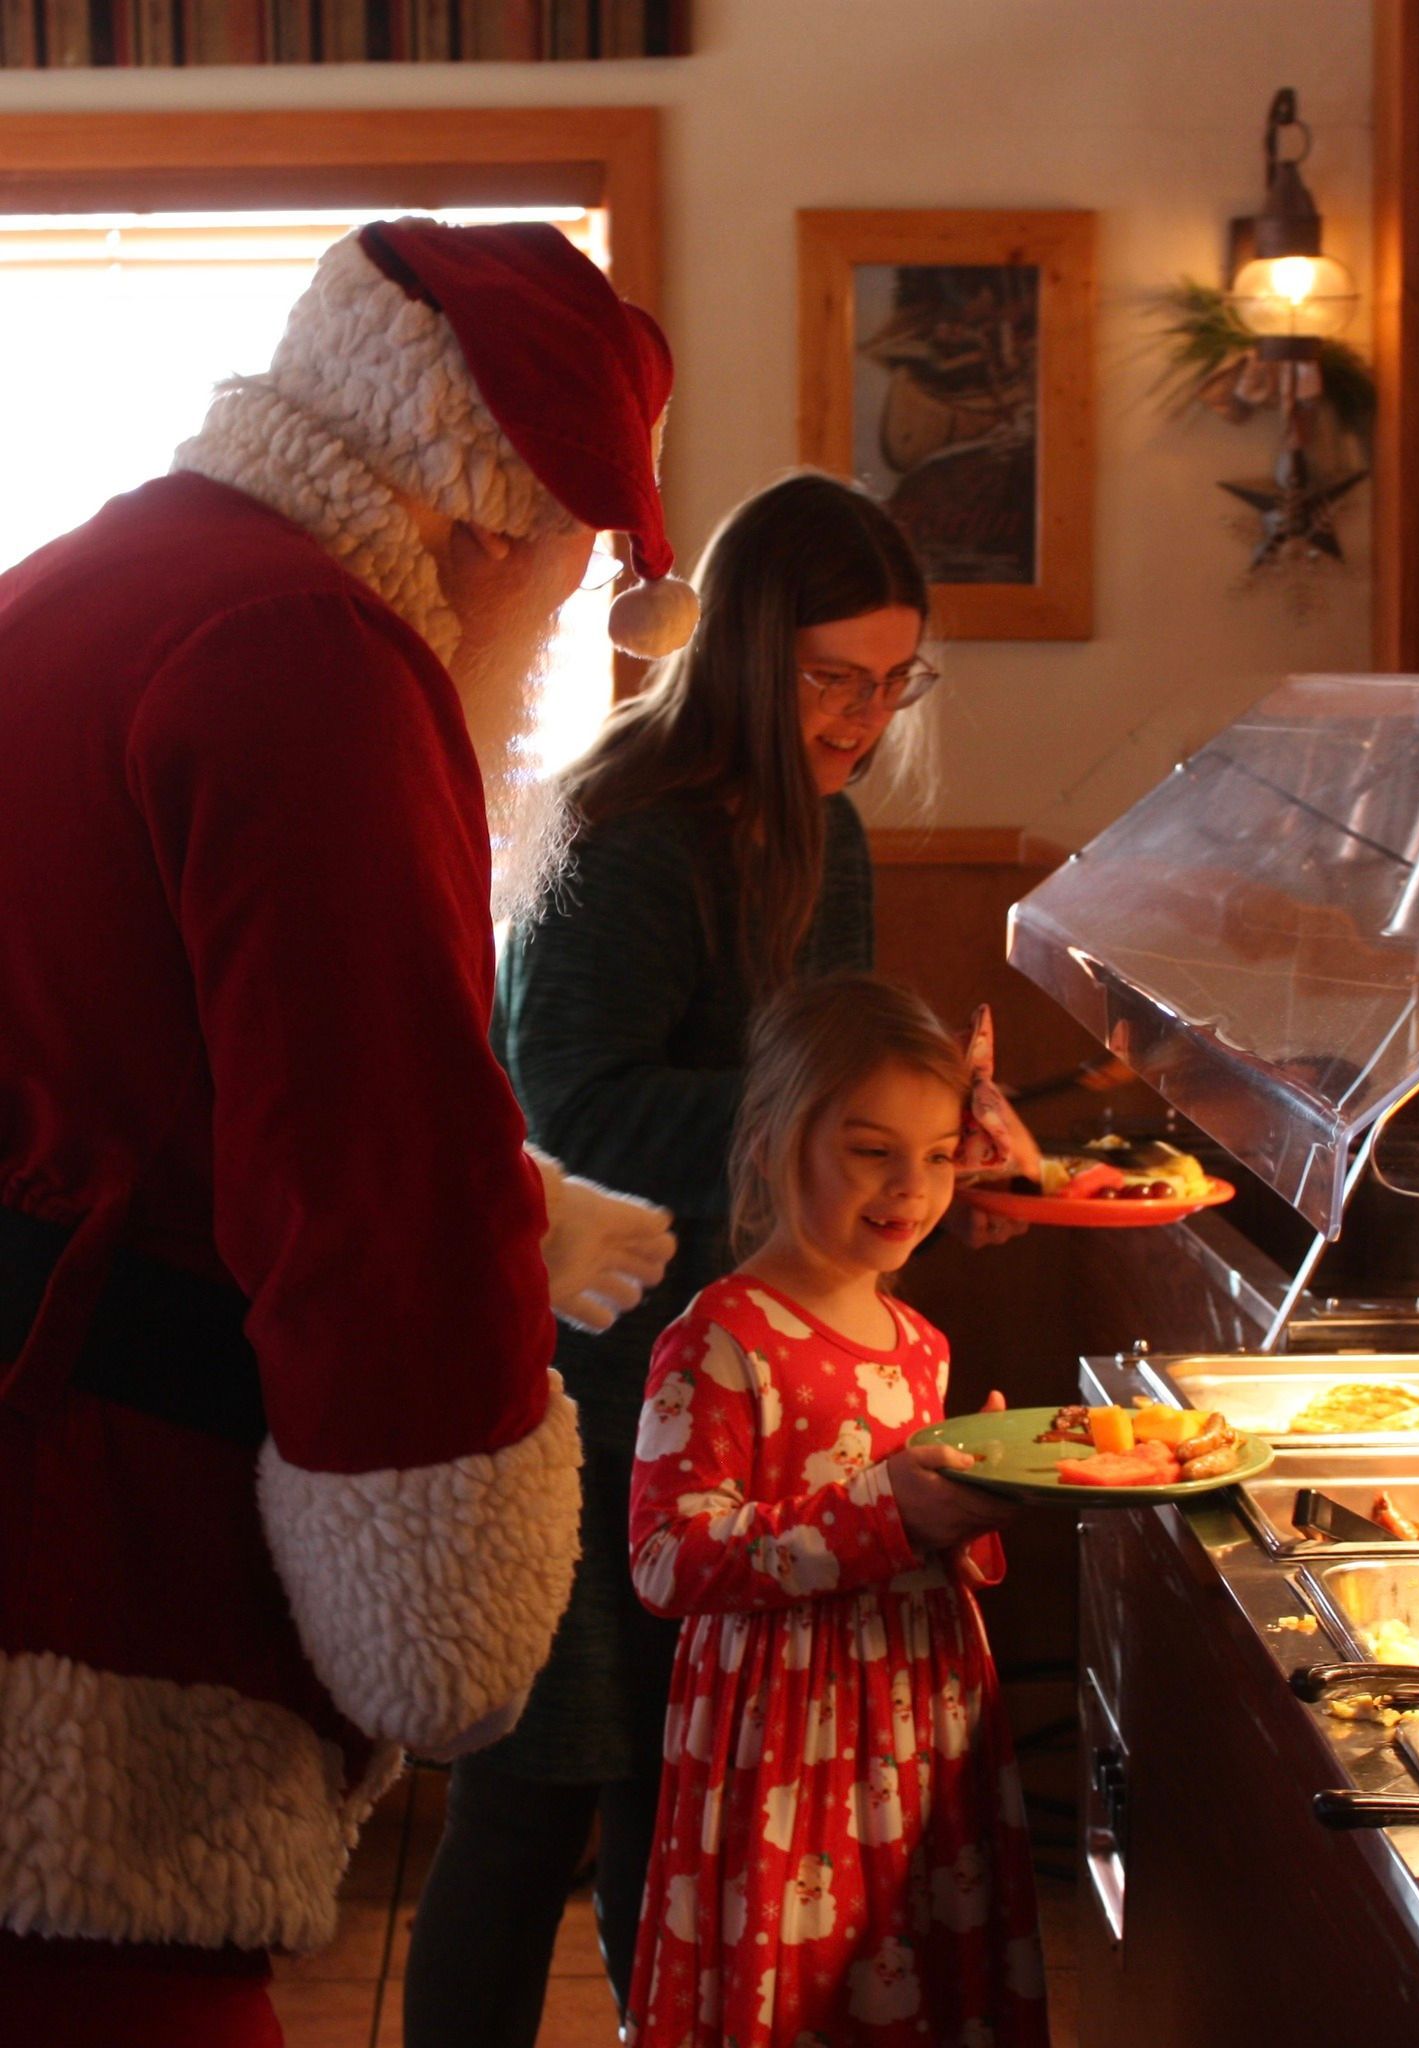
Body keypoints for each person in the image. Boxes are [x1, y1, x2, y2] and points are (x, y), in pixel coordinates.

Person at [0, 218, 689, 2047]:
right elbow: (366, 1190)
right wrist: (442, 1614)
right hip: (90, 1556)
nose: (556, 630)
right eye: (575, 574)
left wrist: (522, 1197)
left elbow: (132, 1060)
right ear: (497, 519)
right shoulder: (316, 649)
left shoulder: (93, 571)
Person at [403, 470, 955, 2046]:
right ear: (741, 657)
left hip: (734, 1364)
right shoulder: (626, 829)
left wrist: (914, 1152)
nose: (860, 718)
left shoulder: (823, 830)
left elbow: (829, 1091)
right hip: (578, 1363)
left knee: (685, 1766)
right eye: (829, 679)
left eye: (890, 682)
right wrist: (837, 1125)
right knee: (536, 1792)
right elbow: (569, 1104)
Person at [624, 973, 1050, 2047]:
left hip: (919, 1722)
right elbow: (666, 1557)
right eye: (871, 1149)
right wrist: (887, 1511)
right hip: (786, 1747)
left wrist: (971, 1501)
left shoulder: (920, 1340)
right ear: (772, 1141)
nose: (911, 1185)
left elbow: (923, 1535)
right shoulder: (723, 1335)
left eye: (940, 1153)